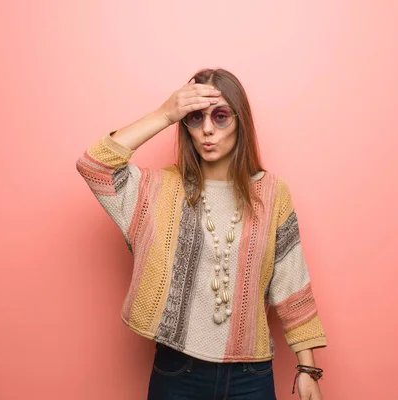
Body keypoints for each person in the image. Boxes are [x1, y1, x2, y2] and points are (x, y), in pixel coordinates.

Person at [76, 68, 327, 399]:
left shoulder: (271, 193)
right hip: (179, 371)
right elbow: (95, 165)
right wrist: (165, 113)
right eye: (195, 117)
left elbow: (291, 280)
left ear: (241, 122)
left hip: (251, 374)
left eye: (221, 116)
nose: (208, 129)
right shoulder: (159, 189)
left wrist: (307, 369)